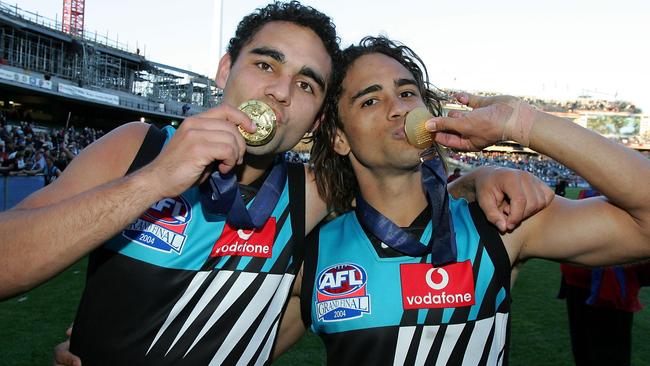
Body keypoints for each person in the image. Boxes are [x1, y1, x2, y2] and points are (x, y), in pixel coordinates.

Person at [5, 2, 547, 364]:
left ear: (315, 119)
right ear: (225, 70)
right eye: (266, 65)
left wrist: (476, 178)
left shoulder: (313, 195)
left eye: (306, 84)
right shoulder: (137, 147)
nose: (281, 92)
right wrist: (155, 180)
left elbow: (399, 180)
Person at [289, 36, 650, 365]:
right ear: (339, 138)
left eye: (407, 93)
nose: (398, 108)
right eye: (370, 99)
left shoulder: (501, 223)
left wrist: (522, 124)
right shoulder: (312, 254)